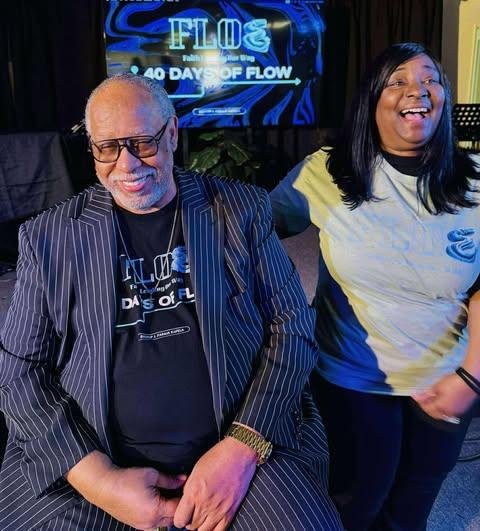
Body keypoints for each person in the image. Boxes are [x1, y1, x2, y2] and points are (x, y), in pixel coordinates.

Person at [0, 74, 342, 530]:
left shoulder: (241, 210)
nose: (126, 165)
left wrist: (242, 447)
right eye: (107, 148)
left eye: (142, 143)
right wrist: (99, 480)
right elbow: (19, 370)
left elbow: (292, 327)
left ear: (173, 133)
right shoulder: (48, 237)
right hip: (92, 456)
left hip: (240, 444)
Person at [270, 42, 480, 531]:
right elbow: (254, 230)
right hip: (352, 379)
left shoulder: (473, 183)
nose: (417, 91)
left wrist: (471, 378)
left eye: (430, 80)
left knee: (413, 505)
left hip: (447, 380)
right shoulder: (326, 171)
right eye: (398, 81)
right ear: (373, 99)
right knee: (354, 505)